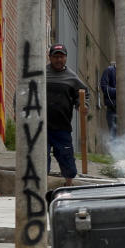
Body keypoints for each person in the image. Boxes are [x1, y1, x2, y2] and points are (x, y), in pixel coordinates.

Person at [45, 43, 89, 187]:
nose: (59, 60)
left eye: (62, 57)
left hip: (62, 126)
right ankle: (41, 186)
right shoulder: (41, 74)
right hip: (41, 126)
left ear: (66, 58)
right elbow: (24, 89)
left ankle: (68, 184)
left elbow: (82, 94)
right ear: (50, 57)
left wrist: (82, 105)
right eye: (56, 57)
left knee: (66, 158)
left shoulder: (72, 78)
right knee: (40, 158)